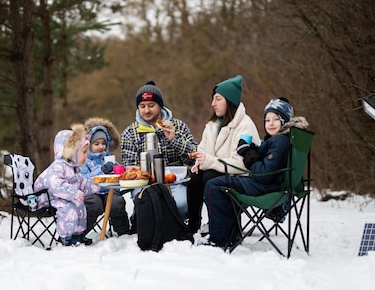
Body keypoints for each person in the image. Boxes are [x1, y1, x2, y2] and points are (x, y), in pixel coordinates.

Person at [202, 97, 309, 247]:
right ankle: (230, 234)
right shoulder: (282, 139)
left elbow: (264, 174)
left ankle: (220, 239)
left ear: (285, 121)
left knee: (214, 185)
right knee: (221, 183)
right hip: (276, 185)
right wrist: (252, 150)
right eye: (267, 120)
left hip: (266, 187)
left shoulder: (279, 142)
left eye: (275, 119)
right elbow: (270, 165)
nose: (270, 124)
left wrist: (248, 155)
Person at [186, 75, 261, 233]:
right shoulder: (212, 125)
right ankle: (192, 225)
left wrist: (208, 161)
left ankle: (221, 226)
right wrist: (199, 160)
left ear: (230, 100)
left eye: (218, 99)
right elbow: (203, 149)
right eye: (213, 99)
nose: (213, 104)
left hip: (242, 180)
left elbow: (241, 165)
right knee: (195, 179)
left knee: (209, 176)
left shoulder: (245, 126)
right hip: (219, 174)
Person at [121, 80, 198, 218]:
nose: (146, 110)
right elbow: (129, 168)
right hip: (144, 184)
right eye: (142, 106)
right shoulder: (130, 132)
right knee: (149, 204)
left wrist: (174, 140)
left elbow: (194, 159)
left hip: (175, 182)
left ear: (160, 106)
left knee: (182, 204)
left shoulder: (178, 126)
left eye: (151, 105)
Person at [34, 124, 100, 246]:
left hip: (63, 195)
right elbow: (55, 185)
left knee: (80, 205)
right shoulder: (58, 166)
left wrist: (97, 186)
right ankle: (66, 237)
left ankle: (78, 234)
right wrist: (74, 193)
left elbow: (82, 183)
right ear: (73, 152)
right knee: (68, 208)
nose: (86, 156)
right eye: (84, 152)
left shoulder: (73, 168)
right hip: (46, 196)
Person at [80, 117, 131, 236]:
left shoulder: (109, 159)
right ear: (89, 145)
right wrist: (101, 170)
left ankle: (123, 233)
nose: (100, 146)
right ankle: (80, 234)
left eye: (103, 143)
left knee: (117, 203)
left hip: (110, 191)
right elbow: (83, 179)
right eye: (96, 144)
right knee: (93, 205)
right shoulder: (84, 160)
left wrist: (122, 171)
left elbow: (119, 173)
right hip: (92, 192)